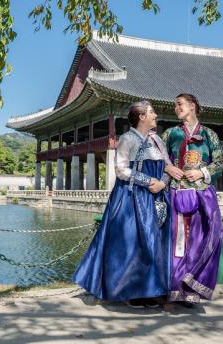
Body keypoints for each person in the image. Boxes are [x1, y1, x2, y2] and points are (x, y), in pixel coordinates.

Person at [72, 100, 172, 307]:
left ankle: (150, 289)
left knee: (154, 242)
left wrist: (162, 183)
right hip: (131, 196)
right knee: (131, 243)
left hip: (156, 196)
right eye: (152, 112)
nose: (155, 115)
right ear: (142, 117)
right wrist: (148, 181)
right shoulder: (127, 138)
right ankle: (129, 291)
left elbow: (168, 166)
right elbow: (121, 170)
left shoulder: (158, 141)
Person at [163, 93, 223, 305]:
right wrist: (169, 167)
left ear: (192, 106)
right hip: (176, 192)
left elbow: (220, 162)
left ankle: (192, 288)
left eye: (179, 104)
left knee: (203, 238)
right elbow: (158, 158)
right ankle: (174, 287)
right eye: (175, 105)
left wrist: (202, 172)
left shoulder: (210, 135)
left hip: (202, 193)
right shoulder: (170, 134)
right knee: (176, 240)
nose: (176, 108)